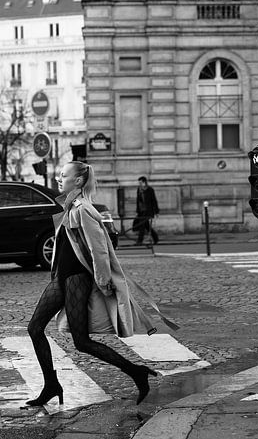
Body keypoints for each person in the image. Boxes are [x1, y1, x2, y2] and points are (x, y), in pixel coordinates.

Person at [25, 161, 159, 407]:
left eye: (63, 176)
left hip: (77, 279)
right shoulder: (70, 207)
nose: (58, 178)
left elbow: (99, 250)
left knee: (82, 342)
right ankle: (51, 384)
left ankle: (136, 372)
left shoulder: (83, 209)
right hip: (61, 278)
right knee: (34, 328)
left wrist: (103, 280)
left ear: (77, 181)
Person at [134, 176, 159, 246]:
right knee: (147, 226)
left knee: (142, 225)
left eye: (141, 182)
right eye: (139, 183)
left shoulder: (150, 190)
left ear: (144, 182)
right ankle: (156, 238)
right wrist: (137, 211)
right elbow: (138, 201)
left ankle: (139, 241)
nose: (139, 184)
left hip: (148, 211)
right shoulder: (139, 190)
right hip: (141, 211)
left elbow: (154, 201)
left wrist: (156, 211)